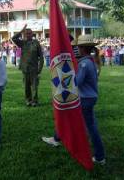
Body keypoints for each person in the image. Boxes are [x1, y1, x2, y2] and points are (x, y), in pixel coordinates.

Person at [42, 35, 106, 165]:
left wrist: (62, 80)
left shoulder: (84, 63)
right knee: (71, 118)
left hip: (84, 98)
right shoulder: (90, 61)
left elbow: (77, 82)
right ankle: (56, 138)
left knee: (89, 126)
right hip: (89, 97)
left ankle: (100, 156)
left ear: (82, 48)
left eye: (78, 47)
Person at [11, 24, 44, 107]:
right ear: (25, 35)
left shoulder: (36, 43)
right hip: (25, 68)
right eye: (26, 33)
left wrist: (39, 69)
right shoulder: (22, 43)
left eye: (30, 33)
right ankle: (28, 100)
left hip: (34, 68)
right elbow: (13, 38)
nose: (28, 35)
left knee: (34, 86)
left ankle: (35, 101)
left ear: (32, 34)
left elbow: (41, 56)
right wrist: (21, 31)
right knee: (26, 86)